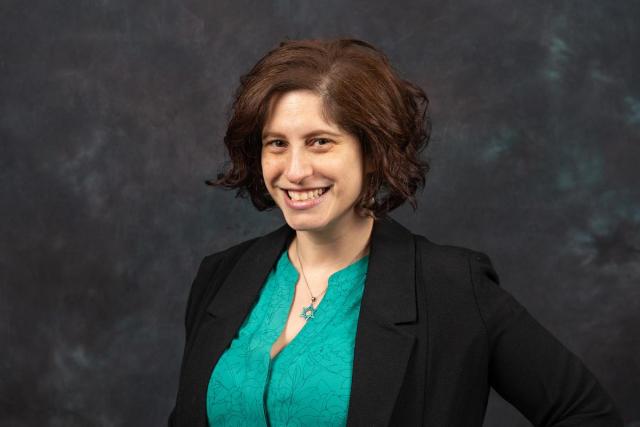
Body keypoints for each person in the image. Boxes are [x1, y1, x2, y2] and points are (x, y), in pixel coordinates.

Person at [168, 38, 622, 426]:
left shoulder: (451, 288)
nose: (295, 170)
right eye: (276, 144)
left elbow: (586, 413)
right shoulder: (221, 276)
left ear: (372, 151)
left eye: (320, 141)